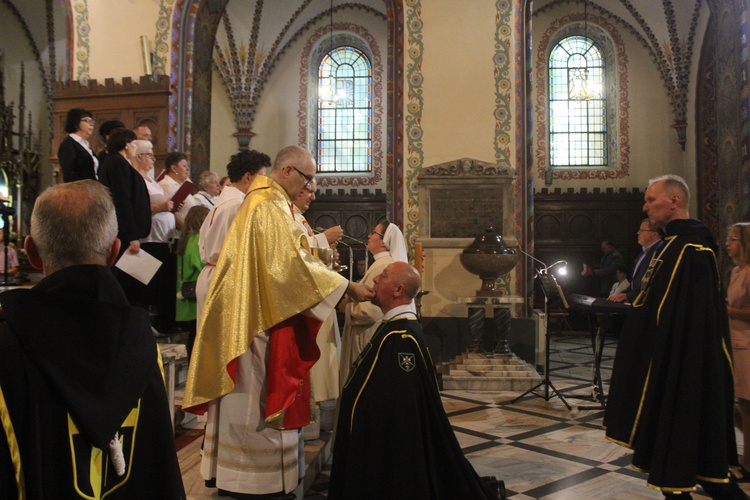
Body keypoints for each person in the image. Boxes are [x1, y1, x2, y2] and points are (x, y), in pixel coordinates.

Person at [183, 145, 373, 498]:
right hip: (253, 319)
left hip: (254, 307)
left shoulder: (267, 202)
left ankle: (248, 475)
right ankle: (251, 478)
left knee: (250, 391)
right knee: (251, 392)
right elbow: (289, 265)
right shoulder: (266, 204)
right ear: (287, 171)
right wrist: (347, 286)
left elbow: (290, 255)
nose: (309, 186)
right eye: (307, 177)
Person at [0, 180, 185, 498]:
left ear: (31, 251)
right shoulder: (140, 343)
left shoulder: (7, 344)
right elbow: (159, 468)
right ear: (115, 251)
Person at [604, 175, 744, 499]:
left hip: (683, 362)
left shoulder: (692, 247)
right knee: (671, 458)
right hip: (663, 359)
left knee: (694, 459)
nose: (646, 206)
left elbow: (693, 318)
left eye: (652, 200)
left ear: (674, 201)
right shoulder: (670, 246)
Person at [329, 262, 496, 500]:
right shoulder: (393, 329)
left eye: (382, 277)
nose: (375, 280)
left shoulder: (401, 338)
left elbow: (400, 413)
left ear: (398, 290)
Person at [195, 149, 271, 326]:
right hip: (224, 280)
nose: (265, 184)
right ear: (247, 177)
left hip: (214, 275)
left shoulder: (224, 201)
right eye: (262, 177)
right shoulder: (237, 205)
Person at [338, 219, 413, 386]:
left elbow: (371, 310)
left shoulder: (383, 266)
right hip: (363, 333)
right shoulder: (380, 264)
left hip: (366, 335)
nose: (369, 236)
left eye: (374, 233)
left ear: (384, 242)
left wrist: (346, 306)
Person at [292, 179, 342, 429]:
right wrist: (323, 239)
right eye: (308, 191)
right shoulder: (288, 216)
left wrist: (327, 257)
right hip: (306, 304)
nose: (312, 197)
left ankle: (318, 419)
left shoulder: (300, 218)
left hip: (318, 299)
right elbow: (294, 256)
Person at [132, 139, 180, 334]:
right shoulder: (136, 178)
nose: (153, 159)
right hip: (148, 238)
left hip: (164, 238)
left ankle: (164, 320)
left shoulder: (151, 179)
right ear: (139, 157)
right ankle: (148, 323)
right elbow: (138, 208)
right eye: (150, 155)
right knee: (148, 285)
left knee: (164, 283)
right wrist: (161, 207)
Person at [98, 128, 150, 257]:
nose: (136, 148)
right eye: (134, 144)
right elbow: (122, 200)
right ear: (126, 144)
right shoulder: (117, 163)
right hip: (123, 233)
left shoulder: (117, 161)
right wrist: (132, 236)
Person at [726, 222, 750, 481]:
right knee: (739, 405)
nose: (728, 243)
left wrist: (728, 311)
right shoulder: (736, 271)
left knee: (746, 405)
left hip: (748, 345)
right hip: (735, 341)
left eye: (733, 239)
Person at [176, 205, 208, 357]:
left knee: (193, 334)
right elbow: (200, 263)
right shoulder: (196, 239)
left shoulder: (186, 239)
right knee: (196, 336)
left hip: (187, 292)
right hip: (195, 292)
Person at [609, 219, 663, 303]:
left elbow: (649, 285)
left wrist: (627, 296)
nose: (638, 233)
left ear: (654, 234)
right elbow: (635, 283)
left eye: (642, 230)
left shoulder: (659, 252)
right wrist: (622, 294)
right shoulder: (644, 251)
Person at [57, 107, 99, 182]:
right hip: (80, 190)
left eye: (92, 121)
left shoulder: (85, 145)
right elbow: (69, 174)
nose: (91, 124)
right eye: (87, 120)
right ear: (75, 123)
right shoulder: (68, 145)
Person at [159, 151, 198, 221]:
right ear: (174, 168)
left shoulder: (181, 185)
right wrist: (188, 230)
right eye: (184, 166)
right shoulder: (166, 185)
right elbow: (173, 213)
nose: (188, 169)